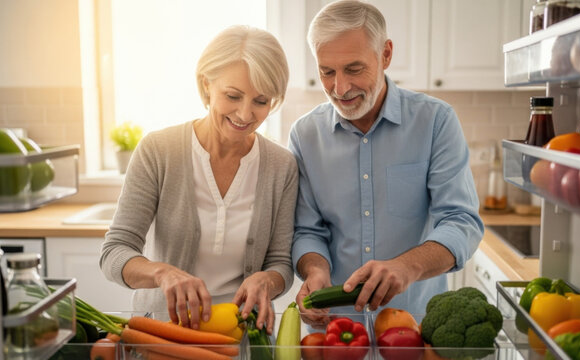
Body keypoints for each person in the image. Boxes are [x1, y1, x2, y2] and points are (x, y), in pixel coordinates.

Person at [289, 0, 484, 326]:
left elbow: (461, 221)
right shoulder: (305, 135)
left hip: (415, 326)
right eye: (327, 71)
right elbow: (308, 230)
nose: (340, 88)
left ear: (386, 55)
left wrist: (407, 266)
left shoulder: (435, 121)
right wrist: (315, 270)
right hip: (335, 330)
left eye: (354, 69)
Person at [100, 25, 297, 333]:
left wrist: (267, 280)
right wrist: (162, 273)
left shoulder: (281, 165)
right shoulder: (159, 150)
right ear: (207, 84)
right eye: (233, 96)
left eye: (261, 101)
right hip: (162, 336)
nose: (245, 114)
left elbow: (281, 262)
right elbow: (115, 251)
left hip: (242, 337)